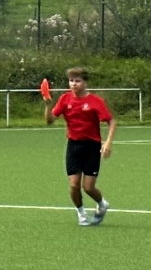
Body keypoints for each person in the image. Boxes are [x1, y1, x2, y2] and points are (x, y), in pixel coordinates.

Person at [49, 67, 115, 224]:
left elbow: (111, 121)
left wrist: (107, 142)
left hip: (91, 147)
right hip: (73, 146)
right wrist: (47, 105)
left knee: (88, 187)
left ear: (85, 83)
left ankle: (102, 204)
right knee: (74, 185)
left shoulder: (95, 101)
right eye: (71, 80)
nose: (73, 84)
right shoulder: (65, 99)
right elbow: (50, 120)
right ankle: (81, 213)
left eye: (77, 81)